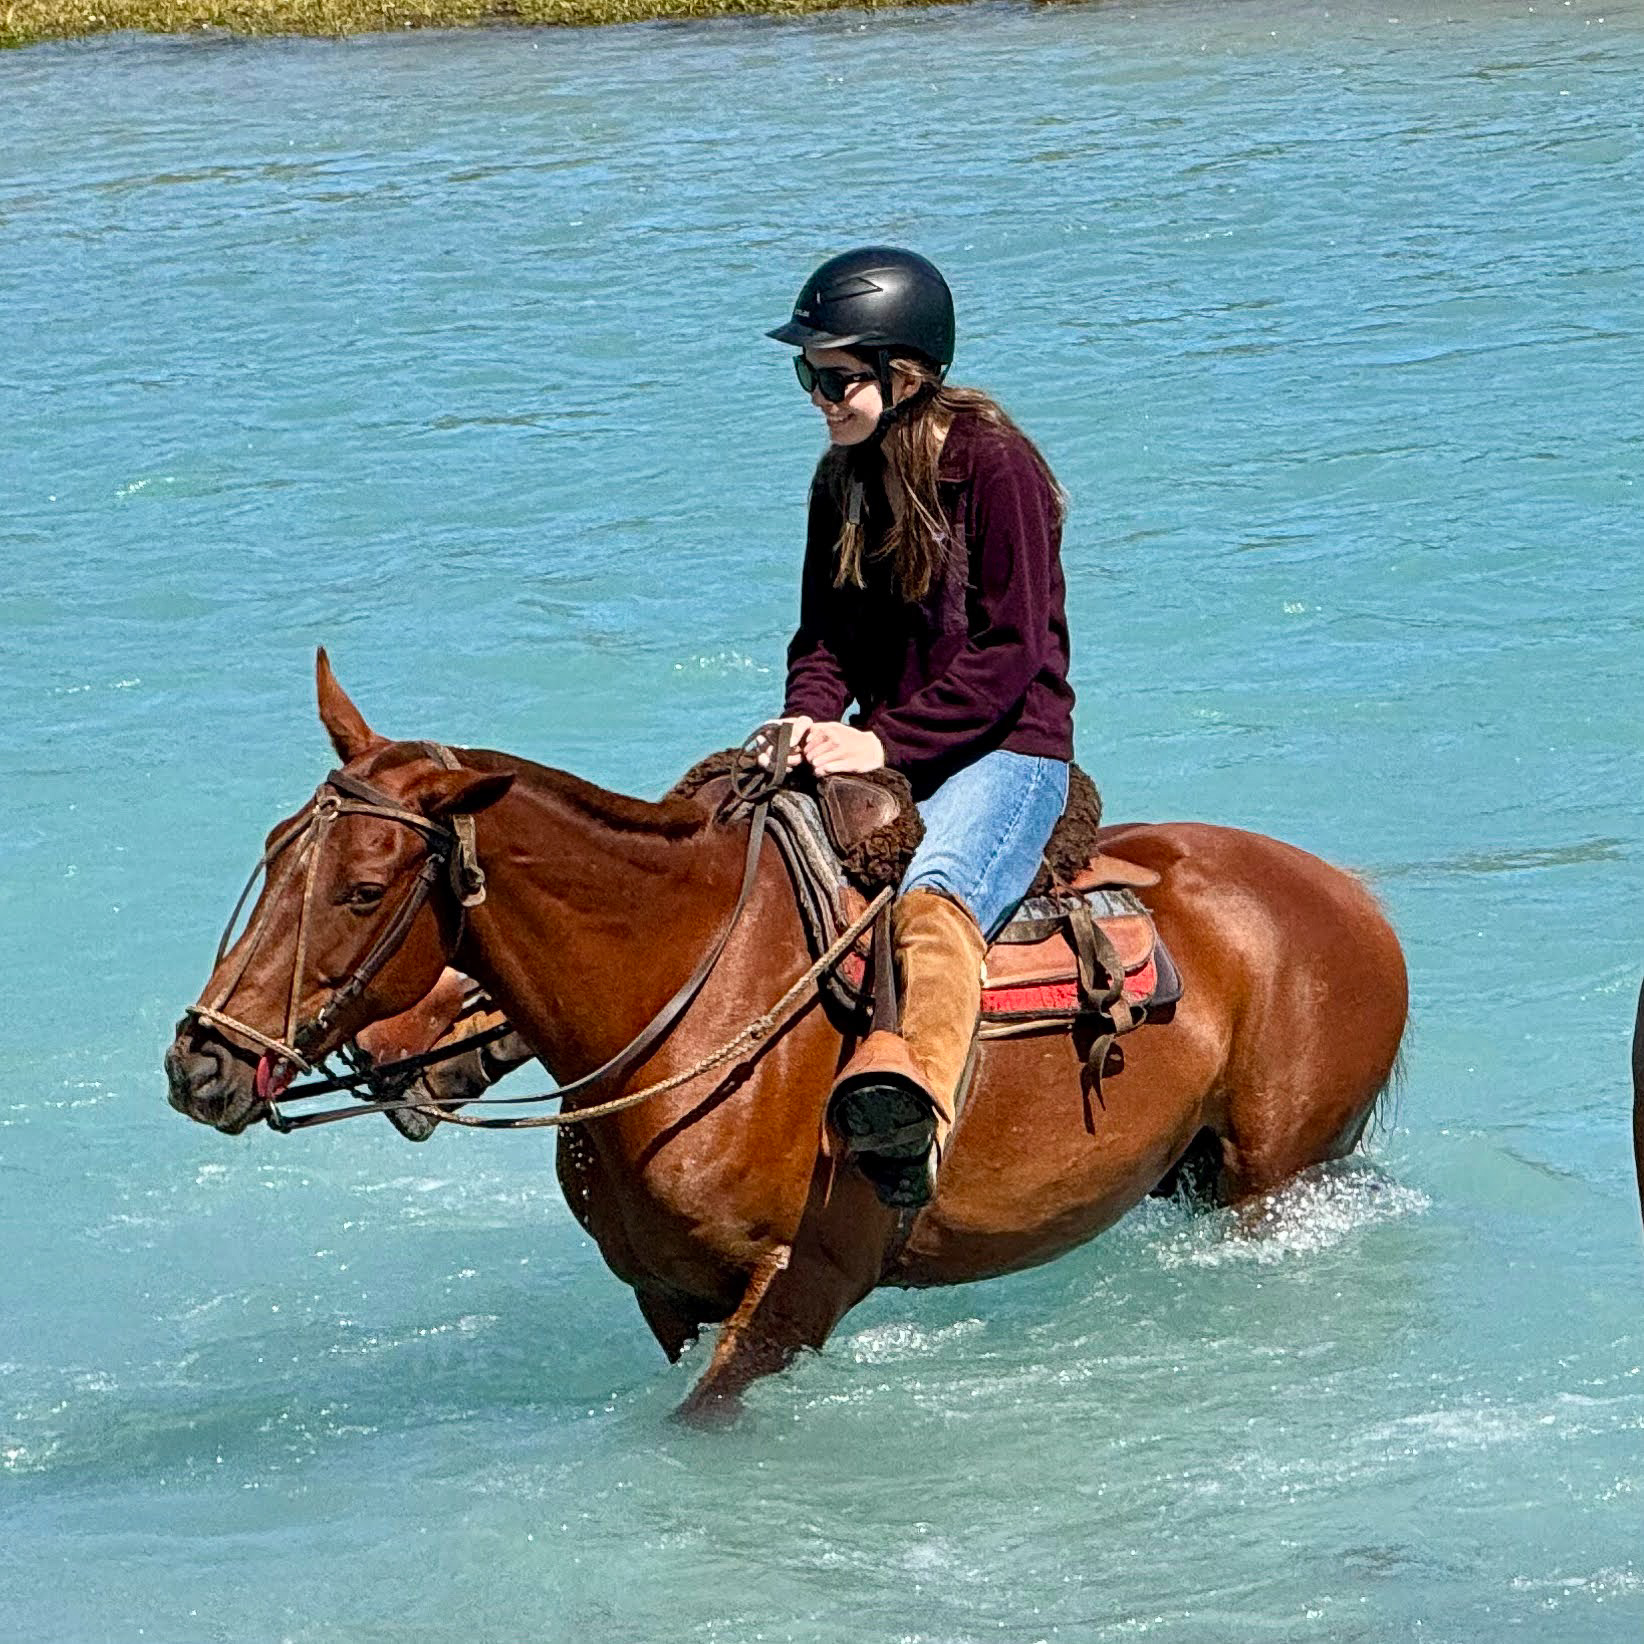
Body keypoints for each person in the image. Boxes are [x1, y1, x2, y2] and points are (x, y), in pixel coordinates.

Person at [763, 246, 1076, 1209]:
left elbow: (1010, 654)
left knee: (934, 904)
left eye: (837, 379)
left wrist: (881, 744)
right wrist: (807, 721)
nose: (820, 399)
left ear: (906, 373)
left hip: (1009, 750)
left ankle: (912, 1131)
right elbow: (824, 640)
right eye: (808, 376)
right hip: (893, 744)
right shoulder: (840, 479)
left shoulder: (996, 464)